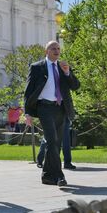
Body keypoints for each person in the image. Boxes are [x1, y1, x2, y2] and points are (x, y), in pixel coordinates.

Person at [24, 40, 80, 186]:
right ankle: (59, 176)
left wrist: (68, 73)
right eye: (53, 48)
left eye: (58, 48)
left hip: (61, 108)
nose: (57, 51)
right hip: (45, 108)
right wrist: (27, 113)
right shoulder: (37, 67)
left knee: (57, 143)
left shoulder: (63, 67)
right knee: (51, 140)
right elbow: (29, 91)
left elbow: (75, 86)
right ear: (46, 51)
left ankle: (47, 176)